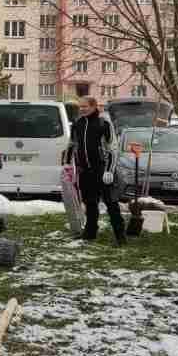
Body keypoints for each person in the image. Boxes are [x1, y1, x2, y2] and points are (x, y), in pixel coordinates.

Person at [69, 95, 126, 245]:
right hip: (85, 171)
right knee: (90, 203)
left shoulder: (103, 123)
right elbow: (72, 145)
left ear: (94, 107)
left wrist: (109, 170)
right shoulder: (77, 124)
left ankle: (120, 236)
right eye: (80, 107)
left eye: (85, 106)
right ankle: (90, 233)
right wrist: (68, 164)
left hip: (102, 169)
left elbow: (113, 149)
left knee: (111, 203)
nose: (82, 109)